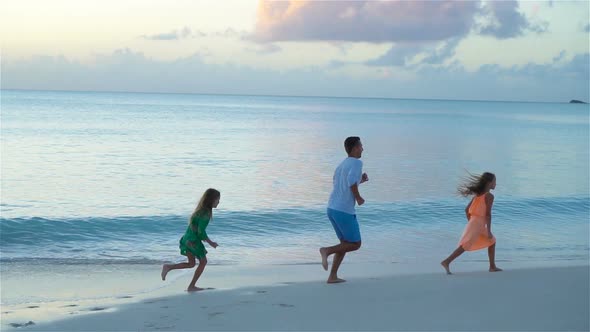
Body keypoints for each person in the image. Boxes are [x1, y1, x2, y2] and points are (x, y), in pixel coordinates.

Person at [319, 136, 369, 283]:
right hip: (344, 210)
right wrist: (359, 198)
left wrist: (361, 180)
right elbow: (351, 183)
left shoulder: (342, 165)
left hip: (332, 208)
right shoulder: (357, 163)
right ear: (354, 148)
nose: (362, 149)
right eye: (360, 146)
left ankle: (332, 276)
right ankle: (326, 251)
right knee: (355, 244)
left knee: (344, 244)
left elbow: (344, 183)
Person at [441, 172, 502, 274]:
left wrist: (472, 223)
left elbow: (466, 210)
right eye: (495, 182)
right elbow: (488, 215)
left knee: (492, 241)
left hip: (474, 222)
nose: (496, 184)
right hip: (477, 224)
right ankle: (446, 261)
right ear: (489, 183)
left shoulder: (478, 195)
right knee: (465, 245)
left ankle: (492, 266)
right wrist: (488, 230)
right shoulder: (489, 196)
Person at [161, 188, 220, 291]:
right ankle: (191, 286)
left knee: (192, 264)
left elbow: (195, 228)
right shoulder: (205, 213)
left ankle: (168, 267)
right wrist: (211, 243)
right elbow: (200, 232)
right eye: (217, 199)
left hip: (187, 239)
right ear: (211, 199)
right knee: (203, 262)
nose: (218, 202)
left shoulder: (200, 210)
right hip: (193, 241)